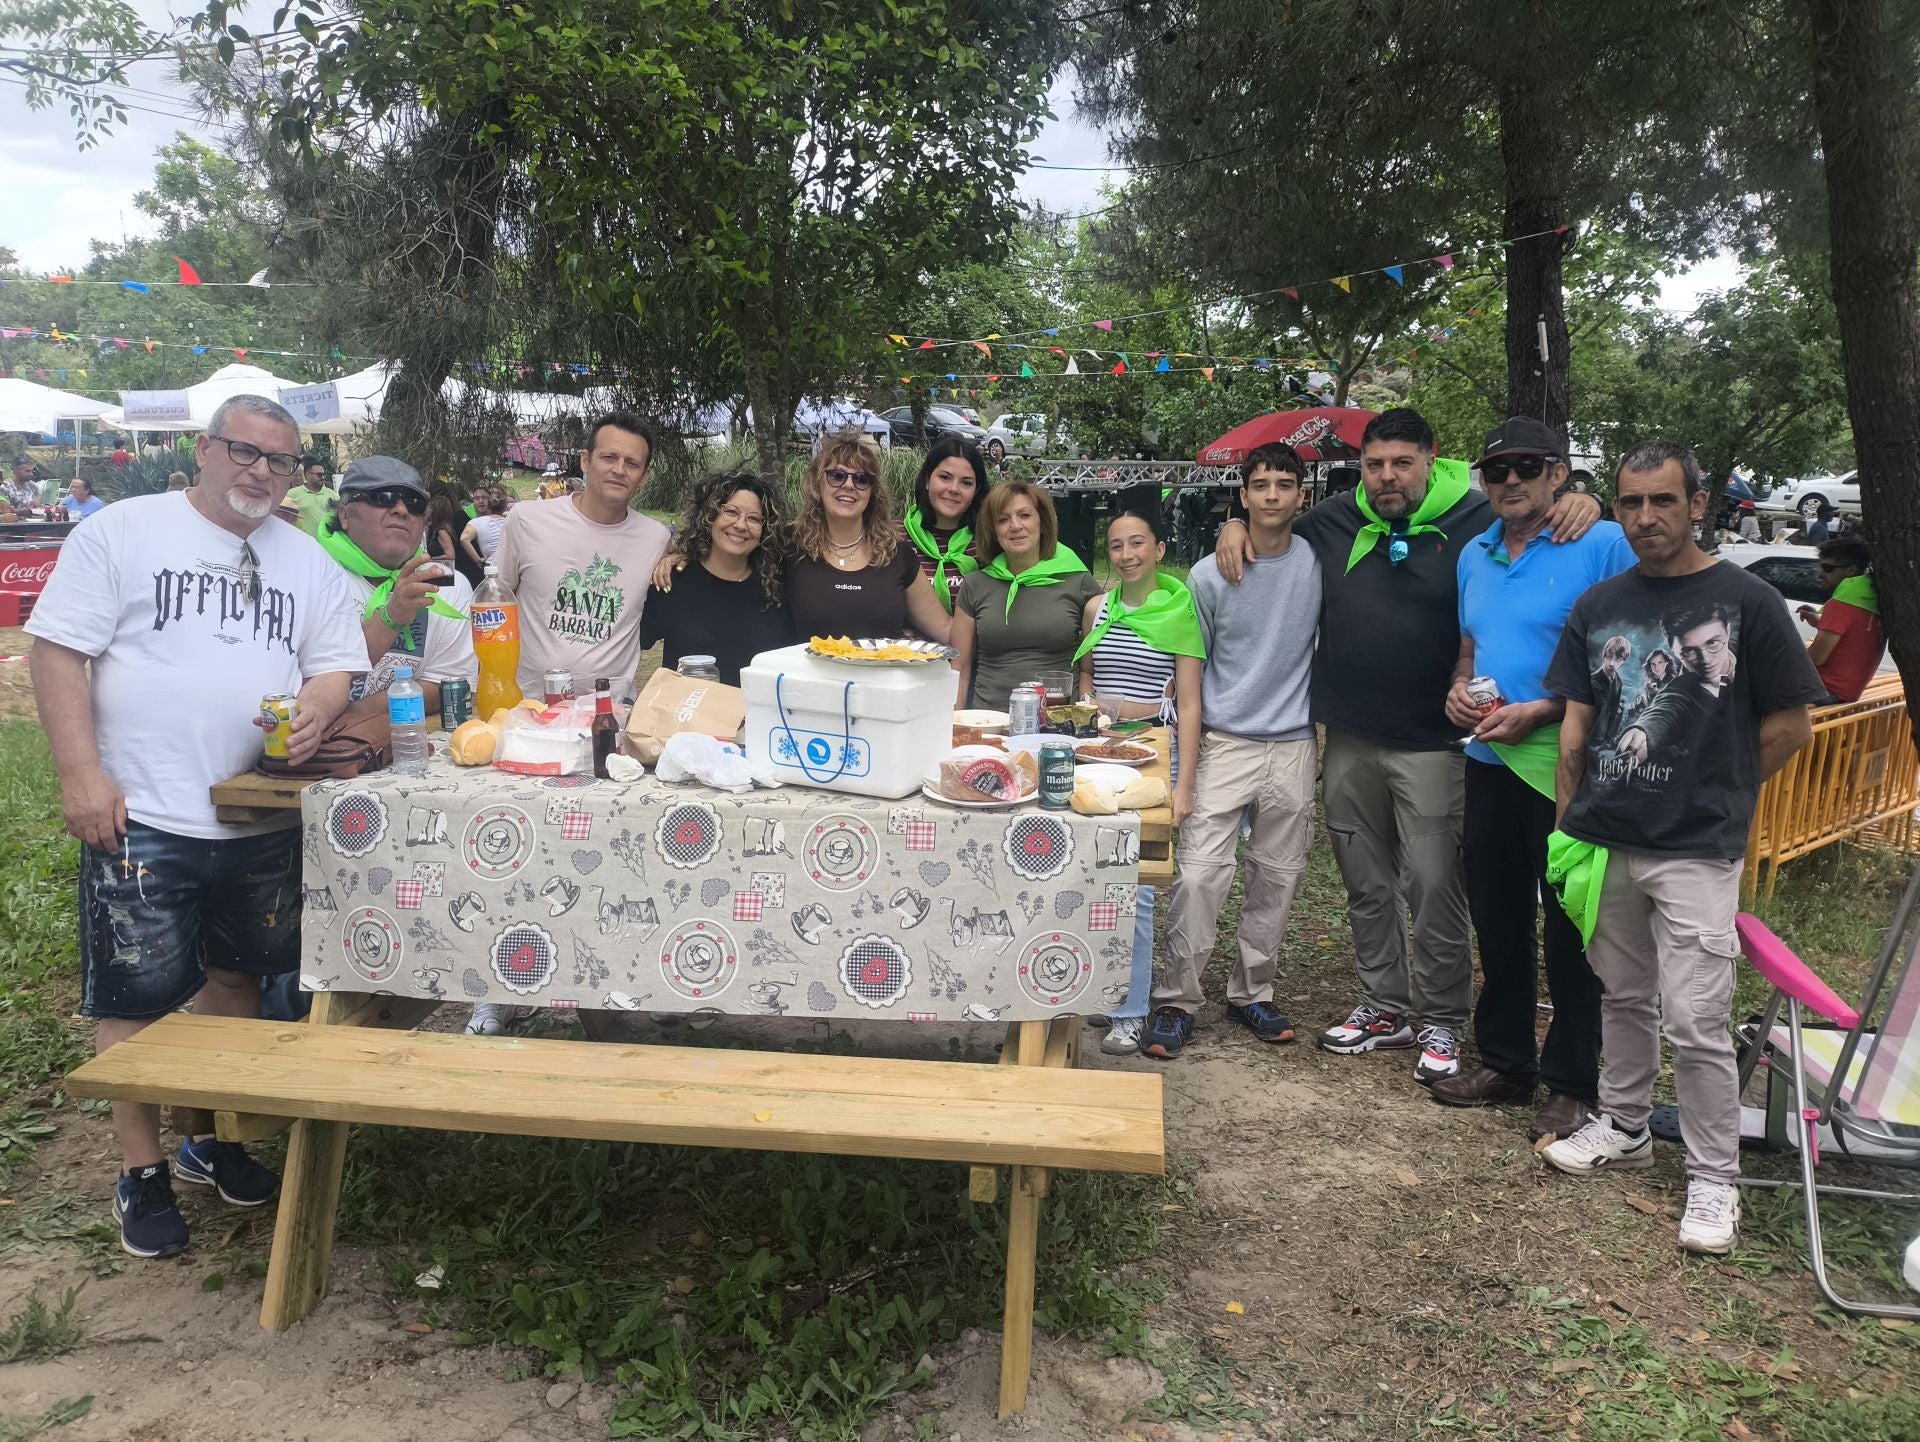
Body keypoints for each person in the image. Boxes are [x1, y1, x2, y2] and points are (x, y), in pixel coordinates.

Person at [24, 394, 366, 1259]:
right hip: (139, 812)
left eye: (279, 461)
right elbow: (58, 652)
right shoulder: (123, 533)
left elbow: (335, 663)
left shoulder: (305, 560)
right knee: (133, 996)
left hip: (254, 813)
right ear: (205, 451)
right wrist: (80, 775)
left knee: (237, 982)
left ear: (296, 475)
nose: (260, 471)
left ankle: (213, 1139)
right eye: (244, 452)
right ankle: (139, 1173)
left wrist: (321, 711)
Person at [1212, 408, 1601, 1088]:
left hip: (1437, 745)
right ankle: (1383, 1006)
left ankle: (1443, 1019)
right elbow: (1269, 526)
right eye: (1374, 464)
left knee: (1434, 886)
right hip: (1352, 737)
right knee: (1366, 884)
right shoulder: (1333, 520)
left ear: (1431, 460)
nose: (1387, 477)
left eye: (1402, 463)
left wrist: (1580, 499)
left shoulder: (1478, 522)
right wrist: (1233, 522)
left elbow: (1535, 520)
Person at [1540, 439, 1823, 1255]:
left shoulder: (1750, 602)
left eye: (1663, 501)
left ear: (1697, 503)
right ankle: (1625, 1125)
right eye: (1631, 502)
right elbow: (1580, 725)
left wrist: (1718, 788)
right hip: (1605, 836)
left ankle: (1713, 1178)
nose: (1645, 517)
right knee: (1620, 995)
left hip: (1697, 845)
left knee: (1696, 1017)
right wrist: (1568, 825)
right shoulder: (1599, 605)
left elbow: (1790, 727)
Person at [1429, 419, 1637, 1141]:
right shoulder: (1475, 554)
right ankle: (1507, 1063)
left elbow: (1625, 662)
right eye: (1496, 471)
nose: (1510, 481)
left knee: (1573, 928)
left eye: (1527, 467)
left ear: (1558, 473)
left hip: (1570, 770)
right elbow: (1469, 648)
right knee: (1499, 917)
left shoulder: (1600, 543)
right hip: (1488, 762)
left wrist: (1544, 709)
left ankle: (1575, 1082)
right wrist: (1460, 689)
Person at [1139, 446, 1319, 1060]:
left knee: (1277, 876)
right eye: (1260, 486)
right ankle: (1174, 998)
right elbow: (1194, 661)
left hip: (1294, 743)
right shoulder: (1210, 574)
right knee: (1198, 874)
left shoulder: (1319, 562)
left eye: (1284, 485)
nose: (1272, 496)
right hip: (1226, 740)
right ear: (1241, 496)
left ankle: (1252, 993)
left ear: (1301, 495)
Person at [1071, 508, 1205, 1055]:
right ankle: (1103, 990)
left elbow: (1192, 703)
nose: (1127, 555)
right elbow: (1086, 674)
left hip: (1152, 756)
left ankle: (1131, 1009)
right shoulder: (1096, 609)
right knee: (1093, 877)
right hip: (1097, 752)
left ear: (1159, 549)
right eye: (1117, 546)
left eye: (1137, 544)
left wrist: (1185, 784)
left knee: (1142, 887)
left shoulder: (1179, 610)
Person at [492, 411, 670, 703]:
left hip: (609, 711)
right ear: (586, 460)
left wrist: (676, 558)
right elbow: (495, 601)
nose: (619, 470)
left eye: (632, 463)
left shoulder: (656, 538)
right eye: (609, 457)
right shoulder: (527, 520)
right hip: (531, 706)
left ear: (644, 477)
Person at [319, 456, 477, 712]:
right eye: (383, 497)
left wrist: (349, 713)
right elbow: (304, 684)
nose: (401, 510)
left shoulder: (447, 581)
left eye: (415, 504)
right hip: (327, 748)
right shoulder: (314, 573)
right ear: (345, 515)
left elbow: (450, 686)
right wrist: (391, 617)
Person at [782, 434, 951, 644]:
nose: (849, 485)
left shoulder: (896, 554)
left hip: (881, 676)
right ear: (817, 482)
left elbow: (945, 629)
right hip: (805, 676)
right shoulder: (788, 546)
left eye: (861, 479)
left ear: (872, 491)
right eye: (837, 476)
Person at [951, 481, 1098, 709]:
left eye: (1025, 515)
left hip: (1059, 723)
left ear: (1042, 522)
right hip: (990, 722)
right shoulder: (975, 585)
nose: (1015, 525)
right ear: (993, 530)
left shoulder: (1077, 581)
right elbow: (959, 669)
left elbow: (1099, 663)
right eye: (1003, 519)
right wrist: (955, 726)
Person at [641, 471, 793, 684]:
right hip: (689, 713)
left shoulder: (777, 587)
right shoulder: (673, 582)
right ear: (709, 516)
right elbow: (629, 642)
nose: (741, 525)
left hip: (760, 715)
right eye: (731, 512)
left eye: (753, 518)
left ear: (764, 530)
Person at [902, 436, 991, 613]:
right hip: (901, 641)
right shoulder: (893, 537)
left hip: (969, 641)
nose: (954, 489)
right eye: (945, 477)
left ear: (976, 490)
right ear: (927, 480)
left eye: (966, 483)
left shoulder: (989, 542)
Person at [1796, 536, 1885, 705]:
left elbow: (1816, 658)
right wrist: (1820, 622)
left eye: (1828, 568)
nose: (1820, 574)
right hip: (1847, 693)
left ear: (1851, 570)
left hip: (1822, 692)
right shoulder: (1871, 595)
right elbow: (1855, 637)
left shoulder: (1842, 604)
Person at [426, 489, 481, 588]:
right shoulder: (447, 528)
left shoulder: (441, 531)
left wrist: (431, 559)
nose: (428, 511)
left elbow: (450, 555)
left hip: (446, 573)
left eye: (430, 508)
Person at [287, 455, 335, 536]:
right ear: (308, 475)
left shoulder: (332, 494)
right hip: (304, 543)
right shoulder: (291, 494)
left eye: (324, 474)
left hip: (327, 543)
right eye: (319, 475)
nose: (323, 477)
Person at [461, 490, 507, 571]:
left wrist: (478, 560)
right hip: (511, 564)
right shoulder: (509, 520)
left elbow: (464, 539)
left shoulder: (475, 522)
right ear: (504, 507)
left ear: (488, 505)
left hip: (492, 567)